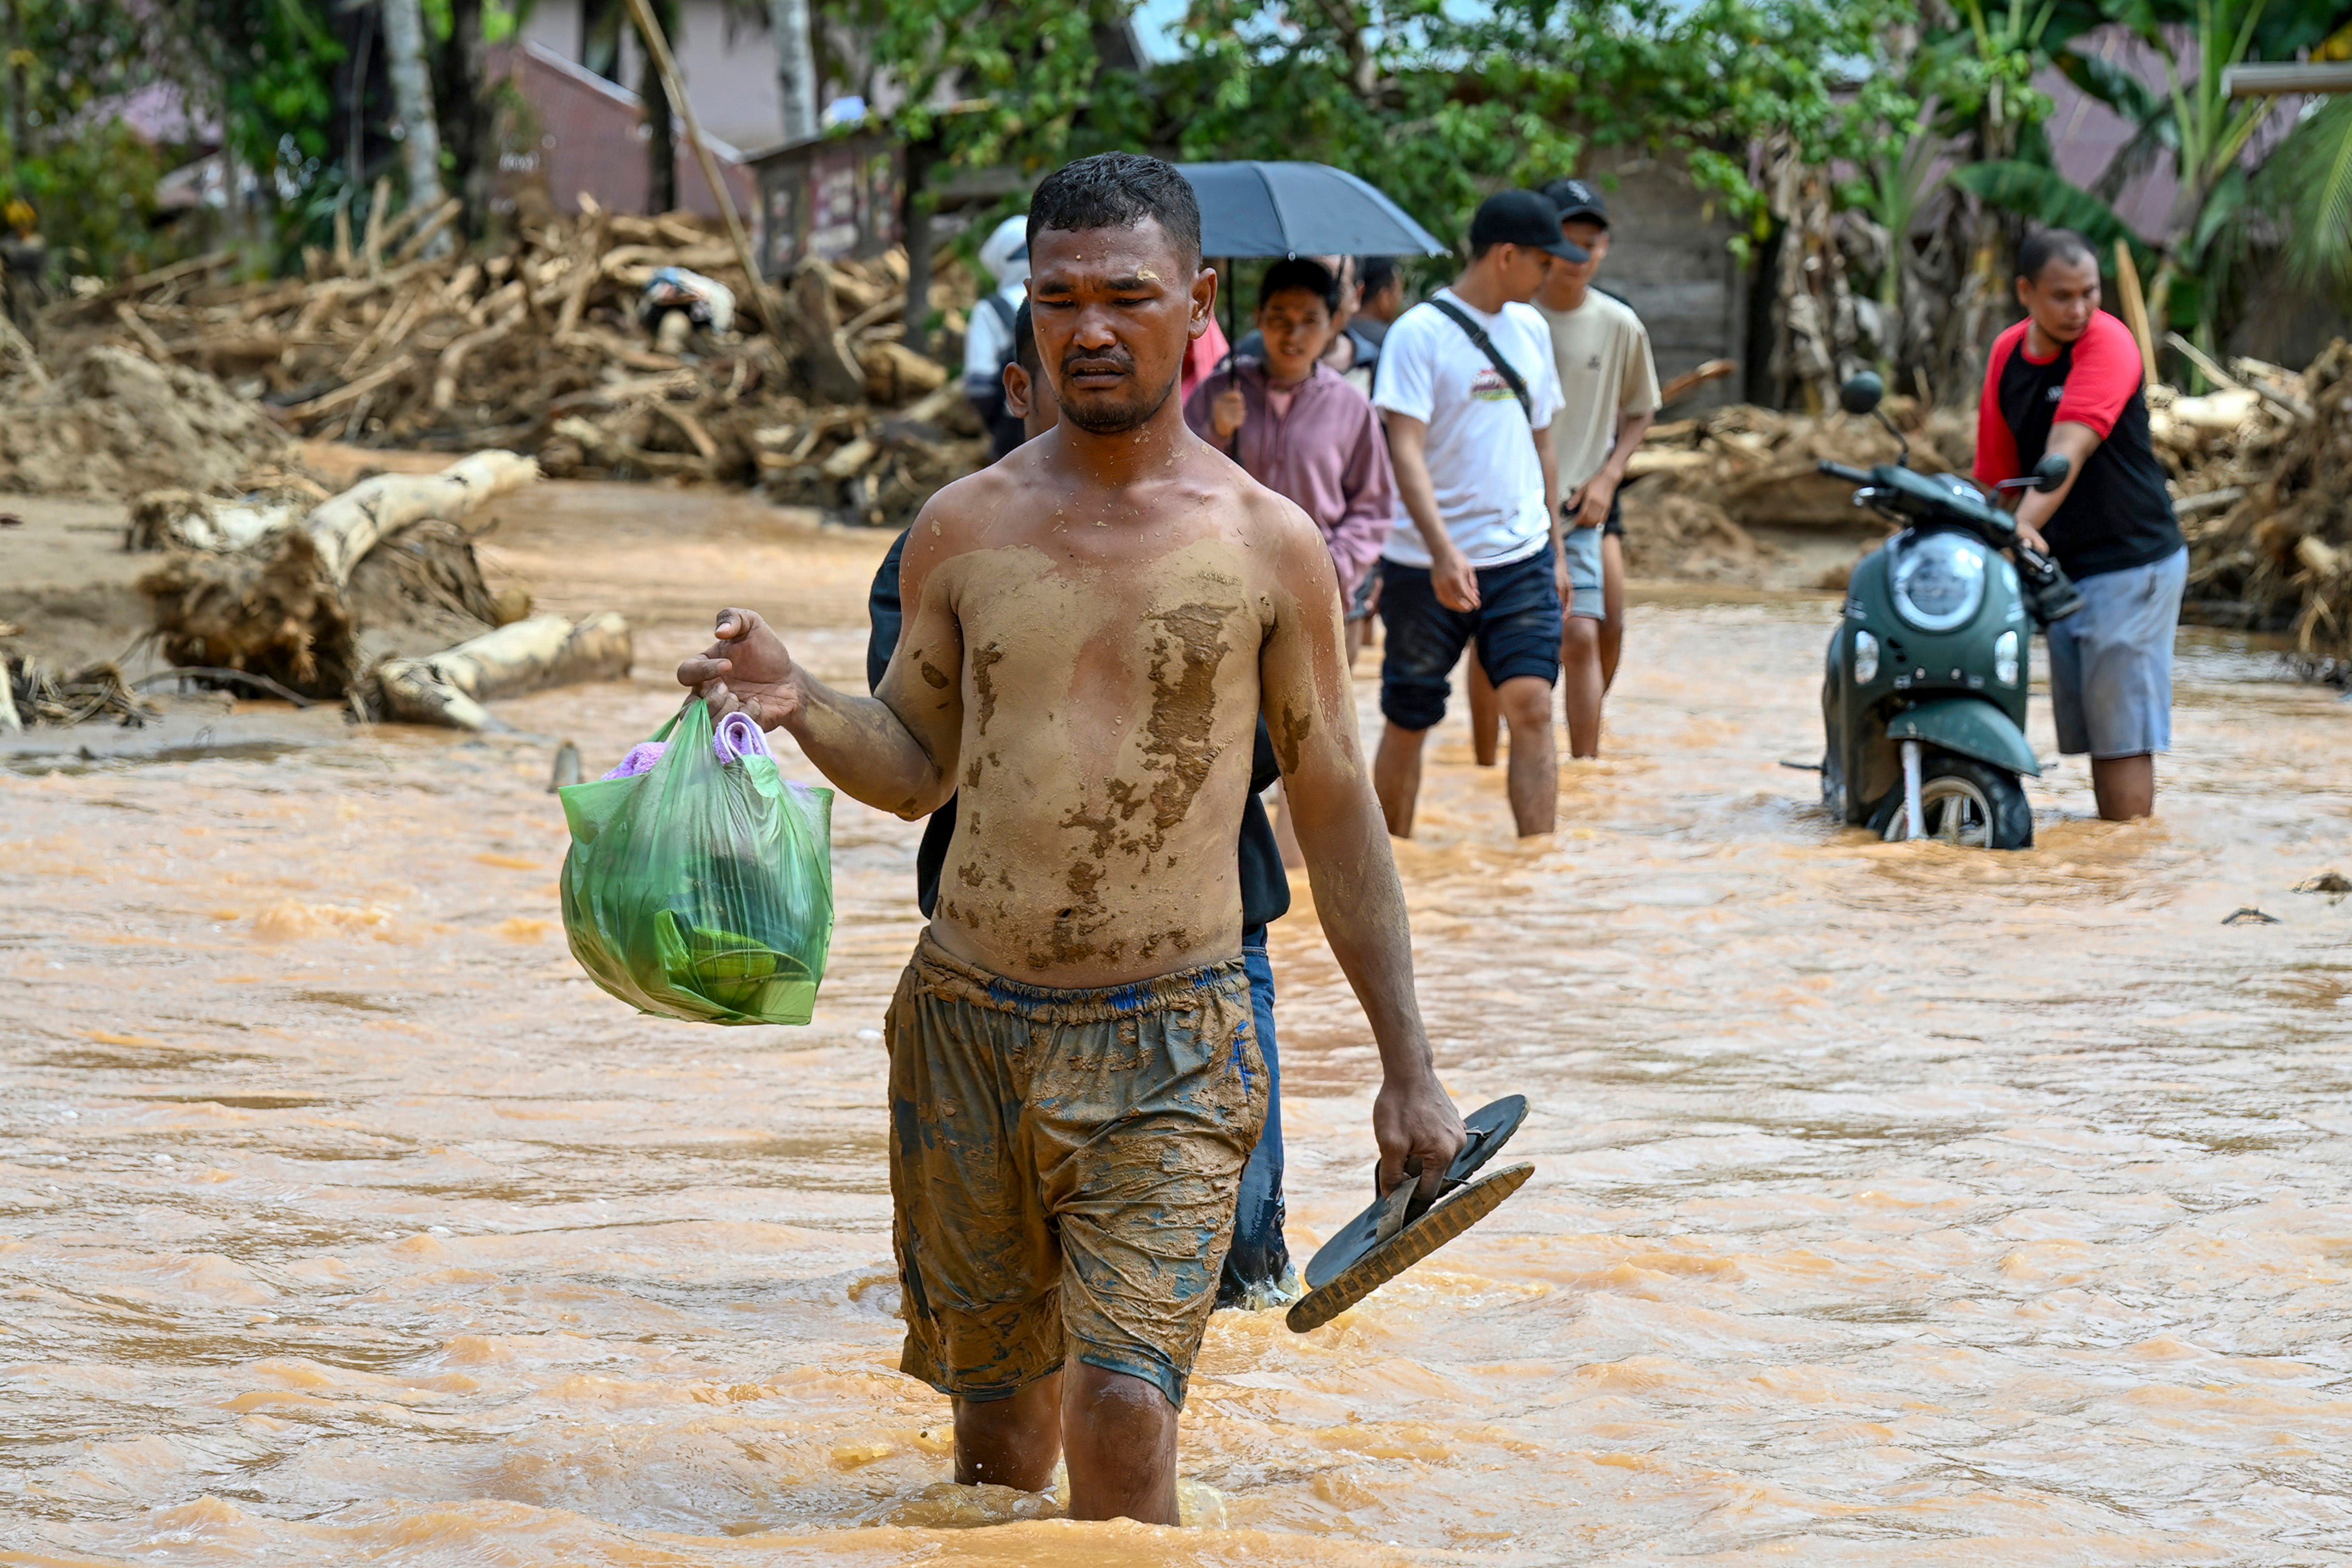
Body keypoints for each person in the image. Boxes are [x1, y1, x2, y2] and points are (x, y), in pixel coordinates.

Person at [679, 152, 1465, 1526]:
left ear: (1195, 302)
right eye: (1058, 297)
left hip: (1174, 1028)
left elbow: (1336, 808)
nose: (1090, 326)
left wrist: (1409, 1067)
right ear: (1028, 313)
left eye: (1126, 294)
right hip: (969, 1026)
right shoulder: (963, 528)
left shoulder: (1268, 545)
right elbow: (918, 768)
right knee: (997, 1432)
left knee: (1120, 1405)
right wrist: (800, 703)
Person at [872, 300, 1300, 1309]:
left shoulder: (1238, 537)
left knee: (1238, 1264)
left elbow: (1296, 766)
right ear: (1020, 388)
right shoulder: (949, 542)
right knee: (1010, 1313)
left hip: (1203, 954)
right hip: (991, 980)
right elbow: (917, 748)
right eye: (1062, 337)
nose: (1092, 360)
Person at [1369, 189, 1581, 839]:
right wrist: (1439, 549)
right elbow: (1400, 448)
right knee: (1409, 717)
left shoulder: (1531, 329)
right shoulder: (1418, 334)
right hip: (1422, 563)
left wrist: (1557, 551)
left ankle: (1533, 870)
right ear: (1506, 255)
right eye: (1543, 263)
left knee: (1534, 708)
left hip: (1519, 557)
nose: (1551, 277)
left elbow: (1542, 443)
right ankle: (1394, 867)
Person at [1975, 227, 2186, 822]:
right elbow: (1994, 472)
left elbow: (2067, 449)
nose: (2078, 309)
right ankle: (2100, 869)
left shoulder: (2109, 342)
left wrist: (2014, 532)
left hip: (2132, 561)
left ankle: (2124, 867)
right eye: (2061, 295)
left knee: (2118, 730)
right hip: (2058, 563)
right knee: (2091, 723)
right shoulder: (2005, 354)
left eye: (2088, 292)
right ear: (2025, 292)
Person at [1185, 257, 1394, 669]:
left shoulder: (1350, 406)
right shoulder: (1219, 391)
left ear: (1333, 323)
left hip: (1324, 595)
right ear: (1258, 317)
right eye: (1279, 317)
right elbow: (1176, 481)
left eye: (1310, 320)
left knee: (1317, 726)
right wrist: (1215, 431)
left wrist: (1336, 565)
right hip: (1229, 590)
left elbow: (1372, 505)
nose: (1293, 333)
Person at [1532, 176, 1658, 760]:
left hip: (1590, 494)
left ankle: (1586, 760)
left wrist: (1610, 476)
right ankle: (1515, 741)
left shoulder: (1619, 324)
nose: (1580, 254)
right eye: (1567, 238)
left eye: (1592, 241)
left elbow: (1640, 409)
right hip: (1518, 498)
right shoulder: (1512, 317)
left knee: (1601, 624)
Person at [961, 215, 1031, 460]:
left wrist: (997, 423)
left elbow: (979, 386)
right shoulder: (1068, 301)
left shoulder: (990, 310)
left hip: (1013, 428)